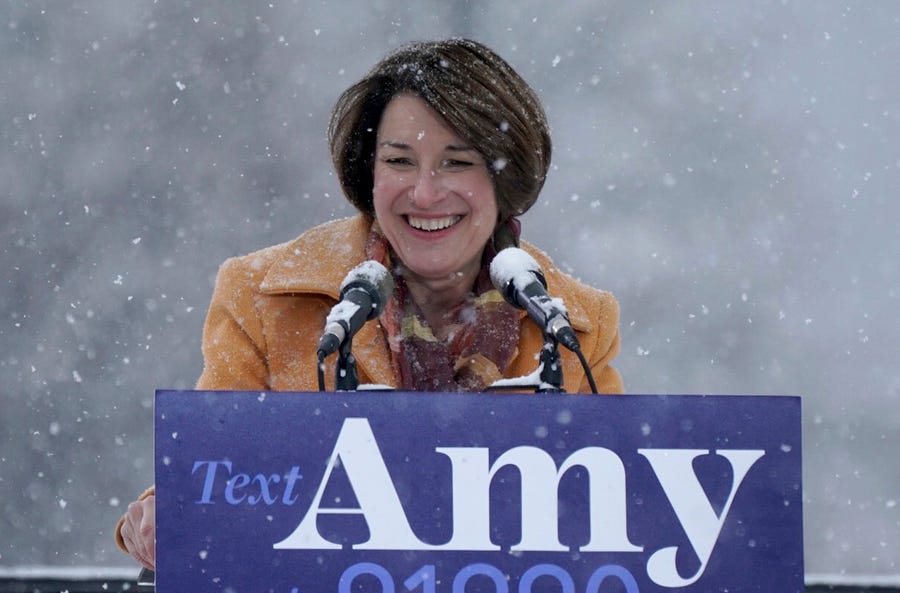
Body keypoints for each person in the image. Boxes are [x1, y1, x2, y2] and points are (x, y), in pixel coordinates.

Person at [115, 37, 623, 570]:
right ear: (369, 172)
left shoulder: (574, 324)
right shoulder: (262, 297)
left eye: (456, 163)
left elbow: (618, 514)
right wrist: (162, 514)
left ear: (505, 177)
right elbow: (220, 475)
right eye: (400, 161)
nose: (425, 194)